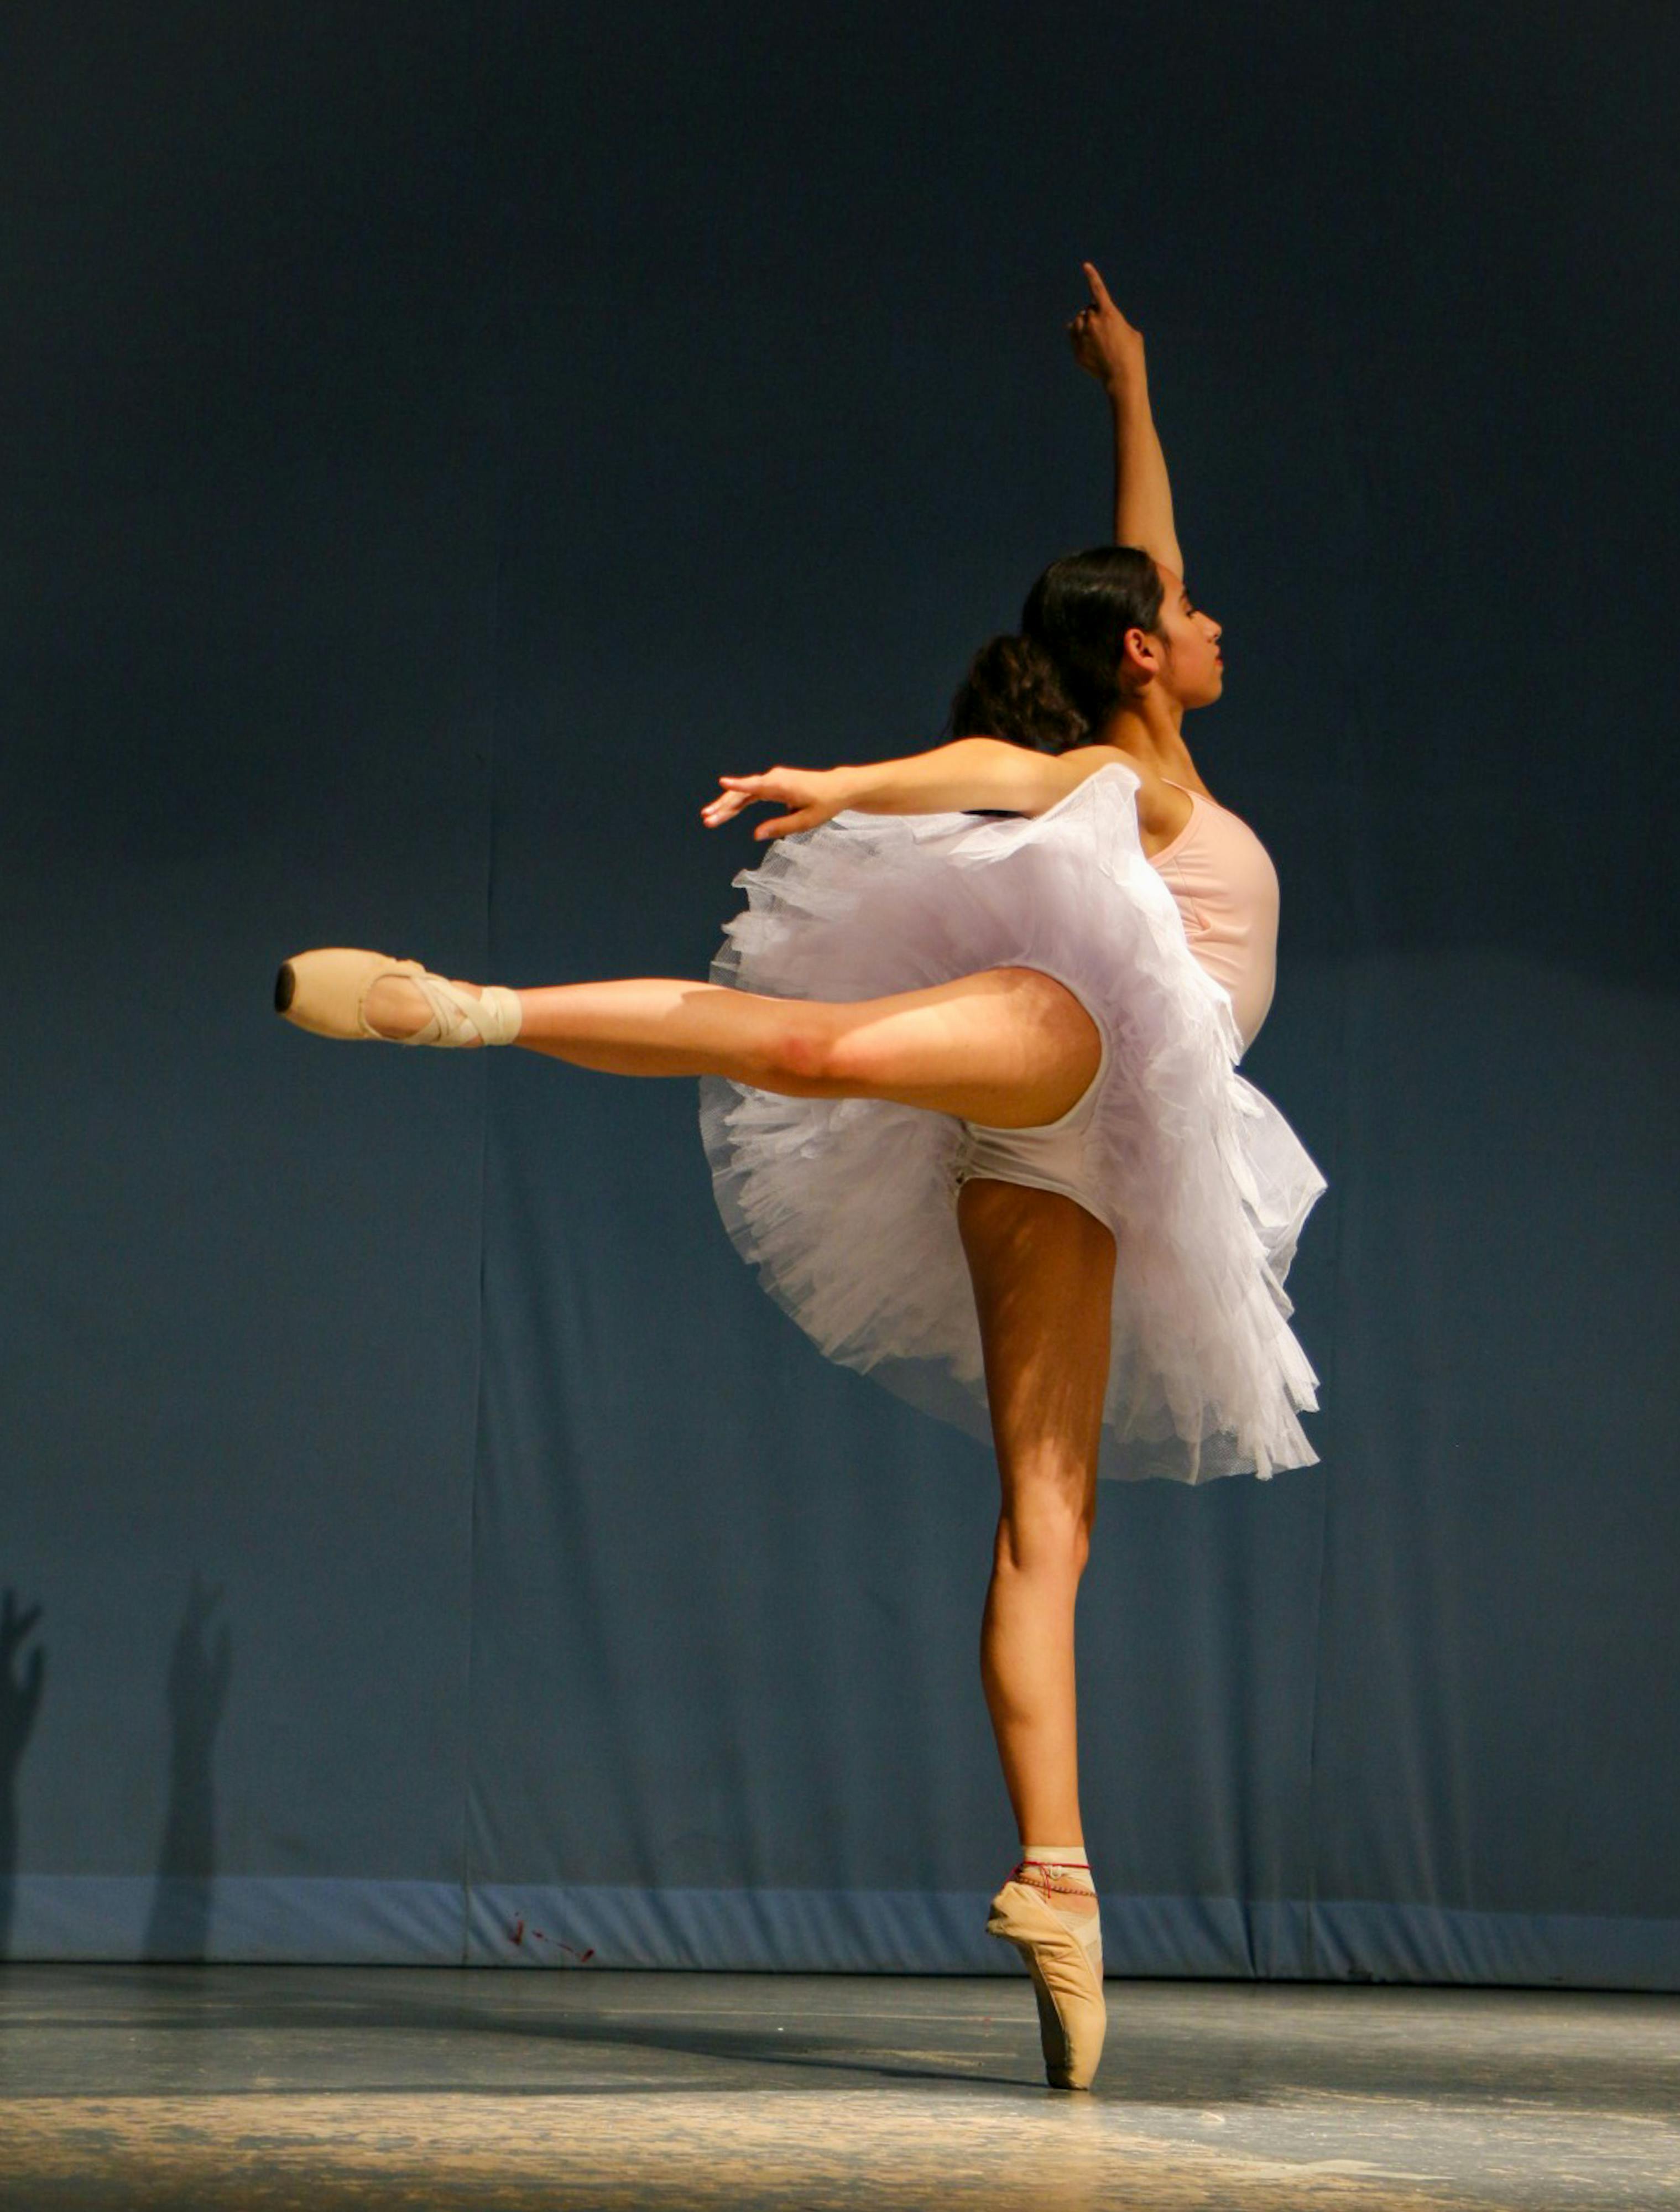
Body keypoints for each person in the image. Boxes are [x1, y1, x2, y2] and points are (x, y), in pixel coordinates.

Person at [274, 264, 1324, 2091]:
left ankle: (1056, 1883)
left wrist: (1133, 395)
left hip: (1095, 1162)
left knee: (1045, 1524)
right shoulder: (1121, 778)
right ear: (1146, 655)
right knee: (817, 1049)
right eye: (1186, 614)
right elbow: (1014, 753)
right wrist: (855, 781)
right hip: (1079, 1039)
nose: (1210, 618)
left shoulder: (1156, 740)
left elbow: (1132, 569)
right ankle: (469, 1009)